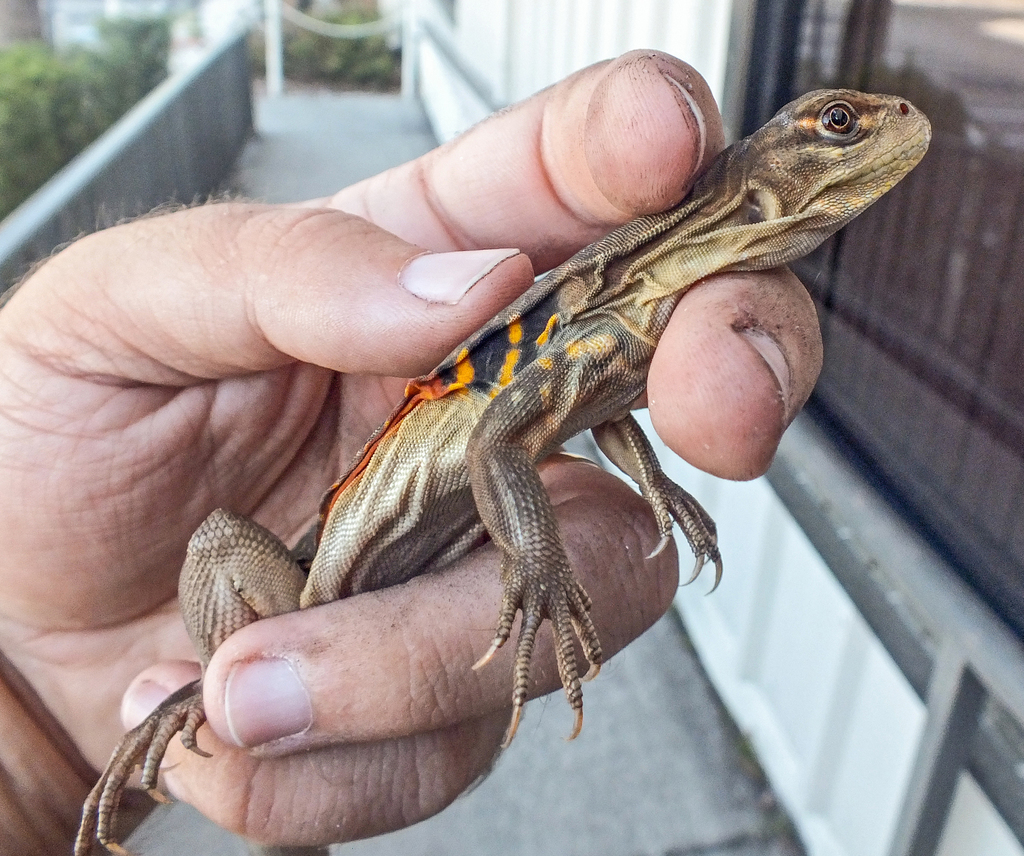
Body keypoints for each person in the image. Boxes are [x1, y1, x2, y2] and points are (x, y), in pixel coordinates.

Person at [0, 50, 821, 853]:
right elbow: (499, 440)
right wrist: (538, 561)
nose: (873, 132)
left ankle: (211, 704)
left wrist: (653, 484)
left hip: (369, 574)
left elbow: (599, 404)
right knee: (220, 542)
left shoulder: (637, 311)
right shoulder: (615, 301)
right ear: (759, 188)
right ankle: (201, 696)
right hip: (311, 577)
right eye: (840, 123)